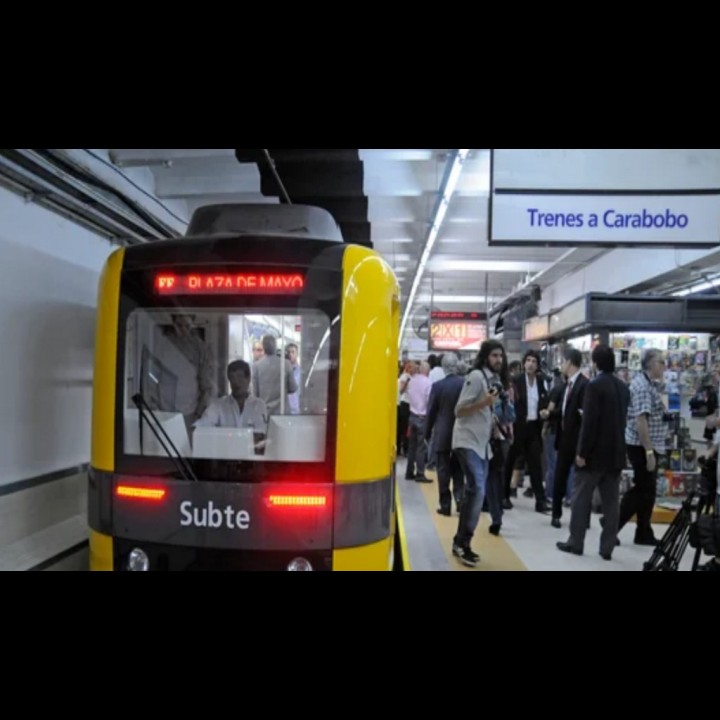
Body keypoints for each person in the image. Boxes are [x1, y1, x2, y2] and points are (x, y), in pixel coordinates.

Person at [556, 344, 630, 560]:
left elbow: (589, 423)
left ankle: (575, 541)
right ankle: (607, 547)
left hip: (594, 454)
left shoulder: (594, 386)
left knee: (581, 499)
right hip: (616, 453)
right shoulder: (623, 387)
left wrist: (582, 452)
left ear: (595, 363)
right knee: (611, 503)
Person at [451, 340, 505, 567]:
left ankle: (460, 542)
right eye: (494, 356)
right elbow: (459, 410)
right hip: (467, 442)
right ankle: (463, 543)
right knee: (478, 490)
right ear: (485, 357)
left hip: (482, 445)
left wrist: (492, 418)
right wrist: (484, 403)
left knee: (476, 492)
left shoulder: (492, 380)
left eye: (500, 356)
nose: (499, 360)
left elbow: (484, 409)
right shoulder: (475, 378)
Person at [616, 348, 668, 546]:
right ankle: (613, 523)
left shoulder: (650, 384)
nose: (664, 366)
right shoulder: (642, 387)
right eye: (661, 362)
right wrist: (649, 452)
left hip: (648, 444)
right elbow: (641, 422)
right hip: (641, 446)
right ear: (651, 364)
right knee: (642, 489)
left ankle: (643, 531)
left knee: (648, 490)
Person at [546, 348, 588, 529]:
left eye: (563, 362)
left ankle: (581, 518)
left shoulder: (584, 385)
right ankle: (556, 514)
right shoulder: (566, 385)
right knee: (559, 477)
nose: (561, 366)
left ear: (569, 362)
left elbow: (585, 415)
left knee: (581, 481)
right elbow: (564, 412)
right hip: (563, 439)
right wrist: (550, 415)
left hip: (578, 441)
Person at [156, 313, 215, 430]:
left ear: (192, 325)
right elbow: (154, 378)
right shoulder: (163, 345)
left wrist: (199, 413)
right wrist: (157, 407)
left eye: (187, 326)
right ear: (173, 324)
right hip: (165, 410)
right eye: (179, 325)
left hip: (190, 412)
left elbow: (207, 385)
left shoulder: (200, 348)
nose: (183, 330)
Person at [426, 353, 465, 516]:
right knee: (459, 470)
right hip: (461, 434)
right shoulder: (464, 384)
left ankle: (445, 505)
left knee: (443, 471)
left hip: (442, 434)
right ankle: (460, 501)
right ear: (456, 366)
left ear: (443, 367)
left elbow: (431, 413)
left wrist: (427, 433)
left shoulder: (437, 386)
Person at [195, 360, 268, 433]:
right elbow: (200, 426)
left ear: (248, 379)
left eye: (240, 377)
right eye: (232, 377)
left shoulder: (258, 405)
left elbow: (260, 434)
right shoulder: (219, 405)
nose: (236, 382)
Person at [252, 335, 298, 414]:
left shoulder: (256, 366)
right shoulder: (286, 364)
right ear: (275, 346)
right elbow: (293, 388)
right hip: (283, 411)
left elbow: (254, 394)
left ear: (263, 347)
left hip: (265, 412)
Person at [286, 343, 302, 415]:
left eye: (293, 352)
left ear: (297, 354)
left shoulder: (301, 372)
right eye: (289, 352)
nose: (290, 354)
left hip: (296, 410)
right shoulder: (283, 371)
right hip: (285, 410)